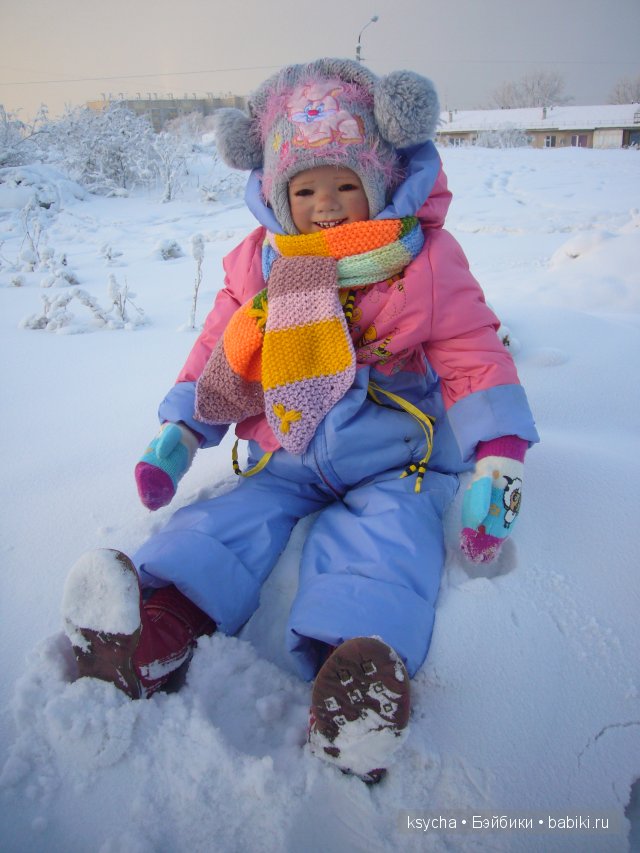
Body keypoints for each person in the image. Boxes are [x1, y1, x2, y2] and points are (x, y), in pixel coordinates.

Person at [62, 58, 538, 783]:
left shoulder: (421, 262)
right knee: (226, 522)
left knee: (385, 542)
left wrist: (497, 458)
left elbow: (473, 352)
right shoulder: (261, 263)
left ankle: (355, 687)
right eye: (305, 189)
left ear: (380, 182)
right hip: (286, 446)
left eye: (345, 185)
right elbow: (216, 349)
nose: (326, 205)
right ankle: (152, 631)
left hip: (393, 457)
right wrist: (179, 432)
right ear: (278, 195)